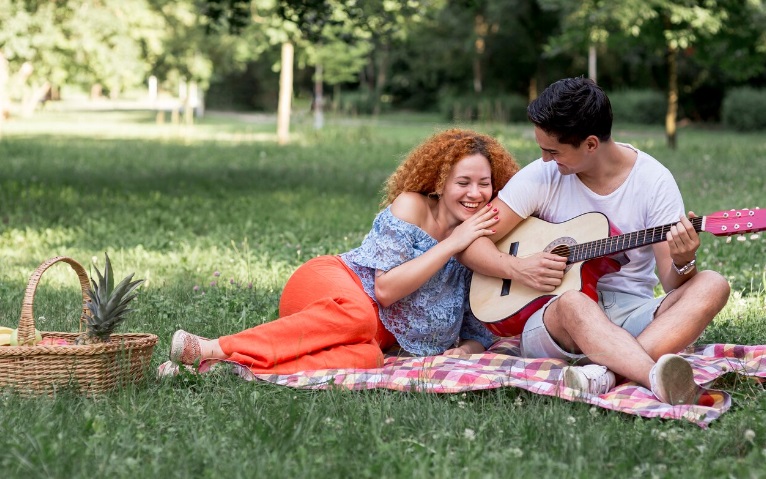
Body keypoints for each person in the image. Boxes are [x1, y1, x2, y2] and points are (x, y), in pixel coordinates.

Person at [158, 129, 519, 376]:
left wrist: (468, 350)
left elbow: (477, 325)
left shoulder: (481, 242)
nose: (475, 193)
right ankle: (213, 346)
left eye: (484, 183)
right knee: (361, 318)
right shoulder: (412, 207)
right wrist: (453, 243)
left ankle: (220, 366)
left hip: (360, 337)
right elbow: (386, 290)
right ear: (440, 184)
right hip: (332, 284)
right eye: (463, 182)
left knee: (368, 358)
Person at [458, 77, 730, 405]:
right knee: (575, 300)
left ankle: (604, 373)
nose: (545, 159)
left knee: (713, 284)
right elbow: (469, 241)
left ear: (590, 144)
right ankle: (652, 376)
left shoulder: (654, 182)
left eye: (553, 151)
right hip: (556, 318)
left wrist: (684, 259)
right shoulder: (542, 176)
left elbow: (673, 283)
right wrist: (518, 268)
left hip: (631, 311)